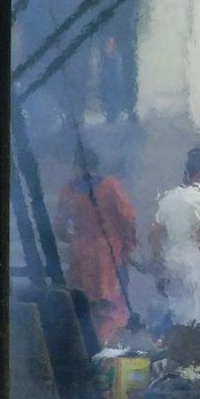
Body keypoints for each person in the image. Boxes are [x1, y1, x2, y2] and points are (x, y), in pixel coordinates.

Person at [53, 147, 138, 345]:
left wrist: (75, 239)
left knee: (85, 303)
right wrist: (127, 245)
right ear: (96, 165)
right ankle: (106, 348)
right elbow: (129, 218)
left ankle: (89, 346)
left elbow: (59, 225)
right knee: (110, 304)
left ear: (76, 166)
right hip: (108, 254)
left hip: (81, 255)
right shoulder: (111, 186)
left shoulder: (69, 190)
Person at [150, 146, 200, 332]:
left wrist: (158, 264)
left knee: (180, 309)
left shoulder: (169, 198)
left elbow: (155, 233)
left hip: (173, 261)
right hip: (195, 263)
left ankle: (182, 350)